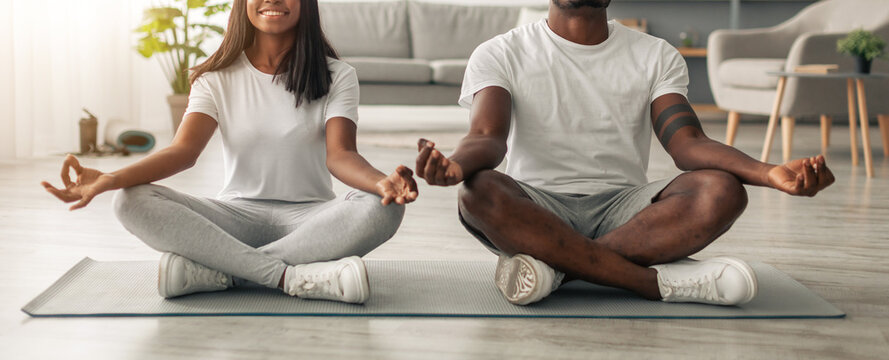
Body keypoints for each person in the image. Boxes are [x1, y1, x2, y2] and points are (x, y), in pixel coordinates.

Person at [415, 0, 834, 306]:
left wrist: (769, 172)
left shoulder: (655, 55)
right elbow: (488, 137)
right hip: (535, 206)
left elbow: (687, 144)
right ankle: (654, 284)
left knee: (722, 191)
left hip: (628, 212)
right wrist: (454, 166)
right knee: (477, 190)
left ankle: (554, 271)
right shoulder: (499, 52)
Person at [41, 0, 418, 304]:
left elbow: (341, 156)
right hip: (235, 216)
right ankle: (290, 276)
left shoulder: (337, 75)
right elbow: (183, 152)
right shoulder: (215, 77)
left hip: (311, 220)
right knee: (128, 201)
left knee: (382, 207)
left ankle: (221, 271)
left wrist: (382, 183)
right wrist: (110, 179)